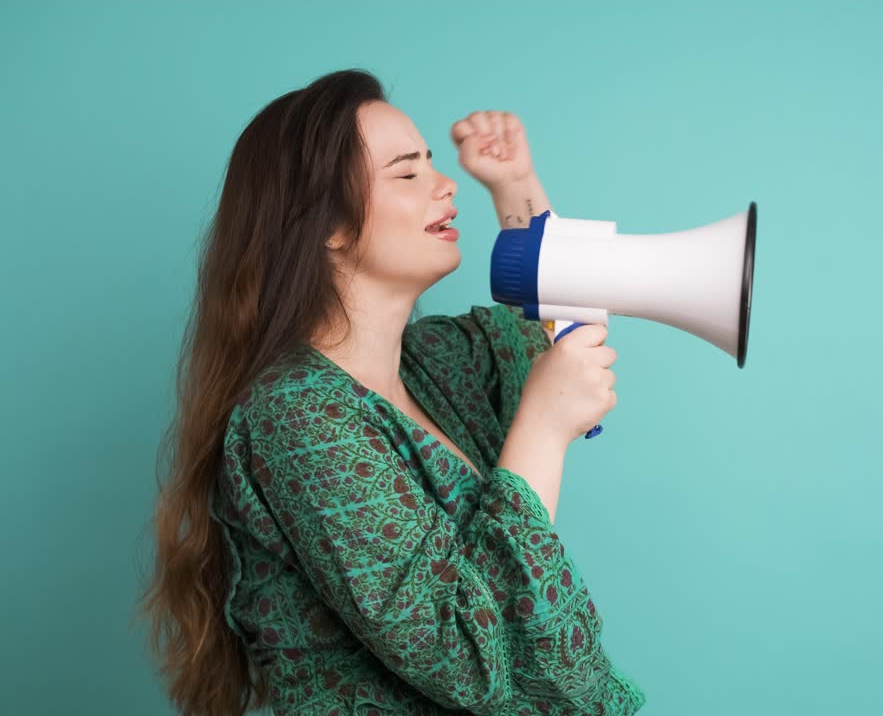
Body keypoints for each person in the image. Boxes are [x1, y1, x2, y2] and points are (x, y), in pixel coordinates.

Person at [143, 69, 645, 716]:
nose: (445, 186)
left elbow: (558, 336)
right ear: (330, 226)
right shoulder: (296, 417)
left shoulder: (436, 364)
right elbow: (466, 654)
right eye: (407, 174)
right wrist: (543, 430)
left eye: (434, 165)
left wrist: (516, 187)